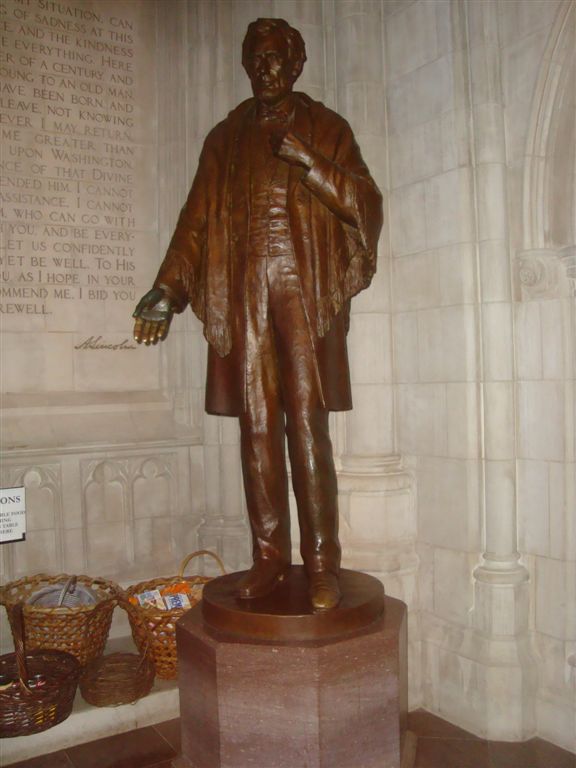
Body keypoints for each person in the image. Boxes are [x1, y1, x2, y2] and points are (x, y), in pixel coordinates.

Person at [133, 18, 382, 611]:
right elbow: (195, 219)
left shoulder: (327, 127)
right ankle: (269, 557)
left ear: (296, 66)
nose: (265, 69)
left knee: (307, 425)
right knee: (258, 429)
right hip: (245, 286)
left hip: (302, 286)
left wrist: (310, 163)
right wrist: (168, 288)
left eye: (276, 59)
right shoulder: (224, 138)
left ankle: (323, 563)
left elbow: (366, 204)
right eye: (256, 59)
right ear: (246, 66)